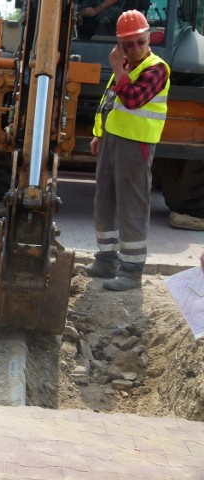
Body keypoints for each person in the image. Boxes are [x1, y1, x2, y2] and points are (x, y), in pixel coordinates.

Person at [85, 10, 170, 291]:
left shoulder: (156, 69)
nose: (135, 48)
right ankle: (106, 259)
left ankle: (131, 271)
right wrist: (99, 134)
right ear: (120, 44)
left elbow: (132, 99)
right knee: (104, 199)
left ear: (149, 39)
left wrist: (117, 67)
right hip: (112, 139)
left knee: (132, 205)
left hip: (137, 144)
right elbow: (109, 102)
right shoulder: (125, 68)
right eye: (128, 44)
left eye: (139, 42)